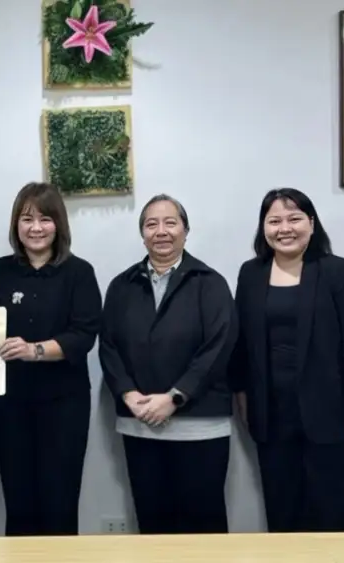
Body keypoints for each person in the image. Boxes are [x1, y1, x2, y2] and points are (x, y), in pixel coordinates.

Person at [229, 188, 344, 533]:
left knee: (335, 517)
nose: (285, 228)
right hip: (272, 418)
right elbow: (241, 345)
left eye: (294, 218)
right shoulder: (251, 274)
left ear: (311, 223)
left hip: (333, 418)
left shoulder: (336, 271)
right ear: (263, 227)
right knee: (283, 517)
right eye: (274, 221)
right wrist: (243, 400)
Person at [99, 194, 238, 534]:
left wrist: (175, 397)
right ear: (142, 234)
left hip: (200, 428)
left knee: (203, 528)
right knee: (153, 527)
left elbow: (218, 348)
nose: (161, 231)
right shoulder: (122, 285)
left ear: (185, 231)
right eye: (151, 224)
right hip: (140, 424)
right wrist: (129, 395)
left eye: (170, 223)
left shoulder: (210, 282)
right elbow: (109, 347)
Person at [0, 182, 102, 536]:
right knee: (18, 503)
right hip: (10, 404)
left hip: (64, 406)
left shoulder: (79, 273)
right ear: (16, 224)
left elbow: (84, 335)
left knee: (59, 502)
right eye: (27, 218)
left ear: (59, 224)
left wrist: (35, 350)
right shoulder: (1, 270)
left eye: (45, 219)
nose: (35, 228)